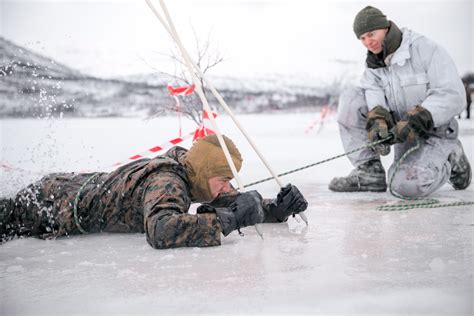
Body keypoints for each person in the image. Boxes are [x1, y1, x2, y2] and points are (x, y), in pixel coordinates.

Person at [0, 135, 308, 249]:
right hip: (52, 205)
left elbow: (225, 200)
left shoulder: (191, 172)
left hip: (68, 189)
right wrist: (227, 222)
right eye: (224, 179)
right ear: (204, 172)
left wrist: (275, 210)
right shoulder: (168, 181)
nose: (229, 187)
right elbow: (161, 230)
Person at [329, 6, 471, 197]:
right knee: (351, 97)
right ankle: (370, 172)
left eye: (371, 34)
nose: (367, 42)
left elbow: (453, 94)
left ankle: (451, 157)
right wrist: (378, 120)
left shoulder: (424, 49)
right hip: (403, 135)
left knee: (405, 187)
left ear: (386, 27)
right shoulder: (373, 64)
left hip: (435, 132)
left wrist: (417, 119)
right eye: (362, 38)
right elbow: (373, 92)